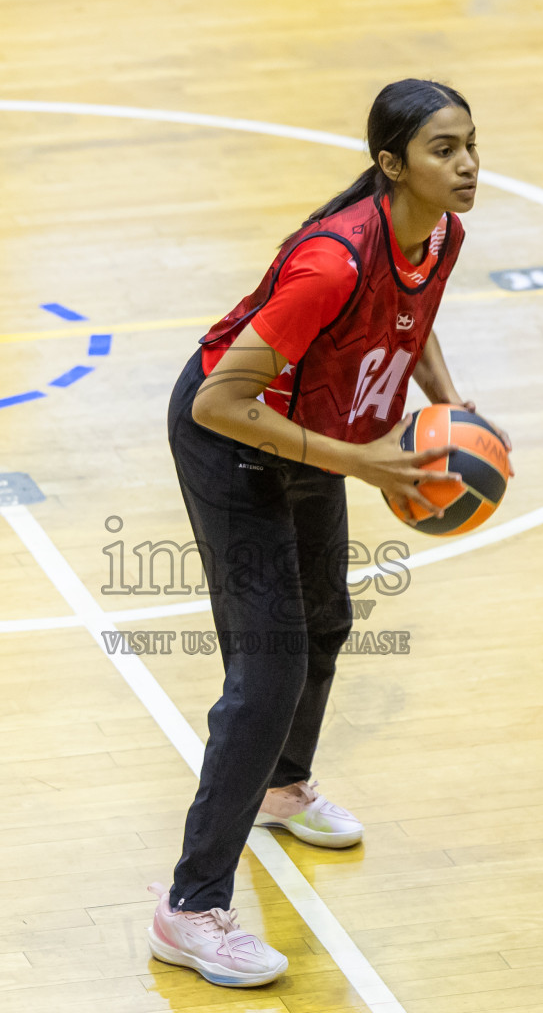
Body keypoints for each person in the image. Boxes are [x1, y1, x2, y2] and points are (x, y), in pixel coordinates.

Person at [149, 78, 504, 987]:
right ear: (391, 165)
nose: (464, 165)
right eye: (441, 150)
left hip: (322, 436)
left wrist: (448, 404)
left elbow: (410, 317)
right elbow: (221, 399)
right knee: (266, 674)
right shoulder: (331, 262)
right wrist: (356, 462)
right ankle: (190, 909)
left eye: (470, 144)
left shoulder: (442, 233)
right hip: (235, 444)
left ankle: (282, 786)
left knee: (327, 623)